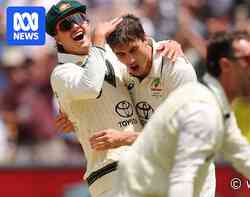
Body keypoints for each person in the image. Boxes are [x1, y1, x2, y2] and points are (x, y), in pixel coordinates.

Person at [109, 31, 250, 197]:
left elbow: (245, 157)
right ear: (227, 66)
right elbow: (182, 177)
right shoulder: (202, 111)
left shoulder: (216, 108)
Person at [46, 1, 183, 196]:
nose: (76, 25)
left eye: (80, 18)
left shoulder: (109, 53)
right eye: (66, 25)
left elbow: (143, 54)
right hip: (109, 174)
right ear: (56, 38)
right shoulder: (61, 73)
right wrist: (99, 40)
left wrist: (167, 45)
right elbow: (90, 86)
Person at [88, 14, 215, 197]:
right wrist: (69, 113)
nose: (130, 60)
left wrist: (124, 138)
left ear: (145, 39)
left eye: (133, 50)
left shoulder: (176, 68)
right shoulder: (123, 71)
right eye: (121, 54)